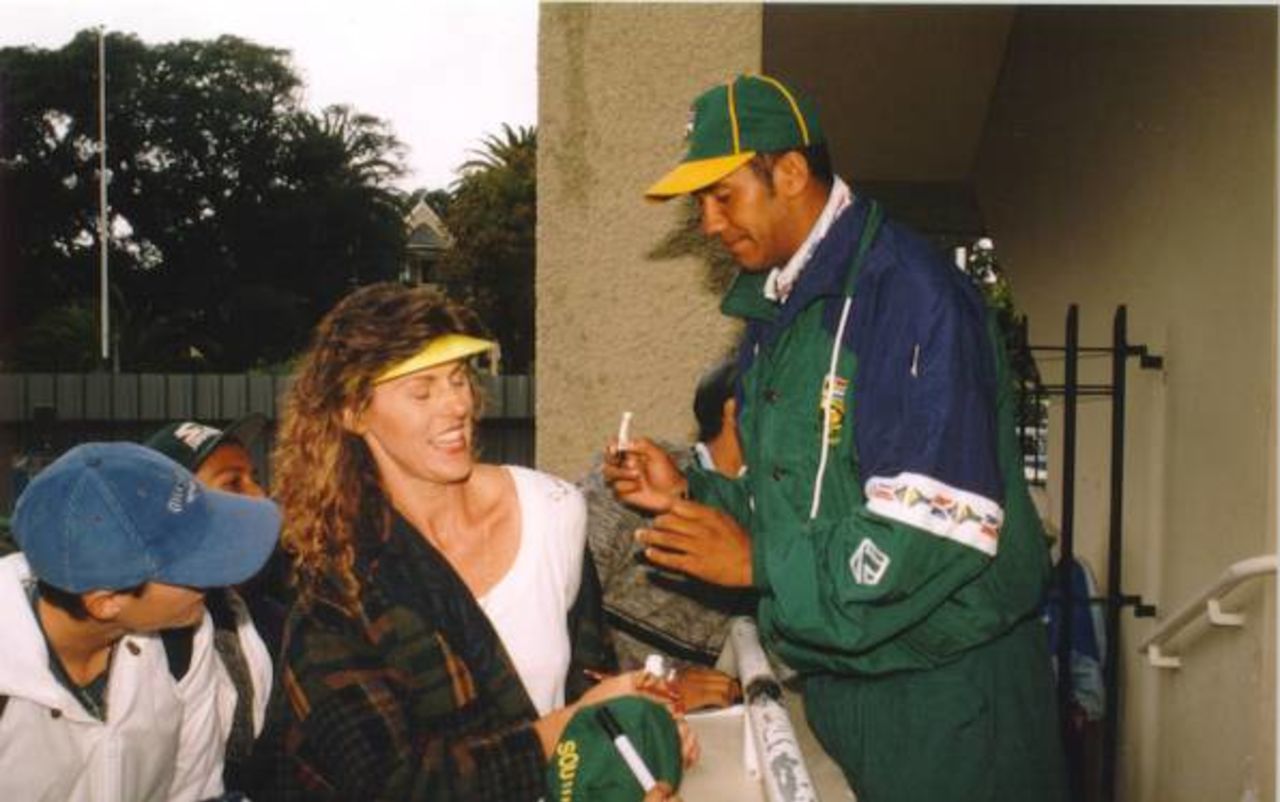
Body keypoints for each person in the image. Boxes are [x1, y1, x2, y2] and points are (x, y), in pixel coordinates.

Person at [607, 73, 1067, 802]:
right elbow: (800, 503)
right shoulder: (781, 308)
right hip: (851, 689)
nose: (709, 223)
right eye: (700, 203)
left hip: (948, 702)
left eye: (722, 195)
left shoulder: (911, 295)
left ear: (789, 172)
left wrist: (758, 564)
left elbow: (932, 531)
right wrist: (689, 488)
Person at [262, 283, 693, 801]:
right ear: (353, 413)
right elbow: (392, 784)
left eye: (459, 379)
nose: (457, 405)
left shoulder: (552, 513)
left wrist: (638, 740)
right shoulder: (335, 578)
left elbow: (588, 679)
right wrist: (571, 726)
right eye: (421, 391)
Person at [0, 441, 280, 802]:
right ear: (107, 603)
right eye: (193, 572)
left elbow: (194, 792)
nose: (212, 584)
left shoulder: (185, 641)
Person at [583, 357, 748, 709]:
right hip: (595, 721)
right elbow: (557, 614)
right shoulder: (635, 475)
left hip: (675, 724)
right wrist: (657, 690)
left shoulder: (767, 510)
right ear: (735, 411)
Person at [143, 414, 287, 792]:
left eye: (254, 477)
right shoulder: (138, 633)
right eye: (233, 483)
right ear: (174, 507)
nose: (259, 495)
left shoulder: (268, 614)